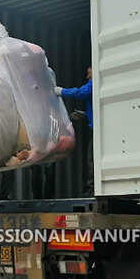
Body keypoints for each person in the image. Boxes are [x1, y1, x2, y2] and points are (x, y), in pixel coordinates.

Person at [55, 66, 93, 195]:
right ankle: (91, 187)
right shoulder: (94, 82)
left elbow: (82, 92)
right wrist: (85, 114)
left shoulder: (95, 82)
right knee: (91, 158)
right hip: (94, 126)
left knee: (91, 159)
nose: (88, 76)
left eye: (89, 73)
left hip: (97, 129)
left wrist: (62, 91)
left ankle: (92, 189)